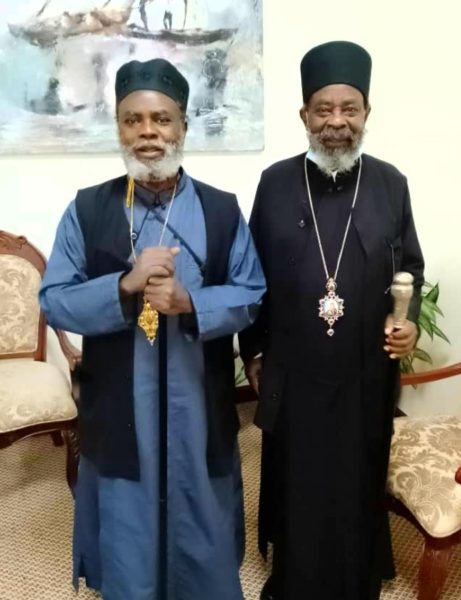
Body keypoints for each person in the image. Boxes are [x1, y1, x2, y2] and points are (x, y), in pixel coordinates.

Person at [40, 58, 265, 600]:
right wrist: (124, 285)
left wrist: (192, 302)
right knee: (127, 531)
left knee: (201, 523)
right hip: (122, 405)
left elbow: (252, 293)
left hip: (198, 405)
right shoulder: (88, 209)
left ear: (183, 126)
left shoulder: (221, 211)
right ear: (118, 129)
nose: (148, 132)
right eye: (133, 120)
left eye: (162, 119)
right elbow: (55, 299)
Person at [239, 41, 425, 600]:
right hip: (294, 366)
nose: (337, 122)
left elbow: (412, 269)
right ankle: (294, 578)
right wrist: (254, 352)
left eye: (349, 109)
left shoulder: (390, 184)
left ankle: (356, 578)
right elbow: (250, 275)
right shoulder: (275, 182)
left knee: (356, 473)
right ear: (304, 115)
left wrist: (410, 323)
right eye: (324, 109)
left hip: (364, 369)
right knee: (298, 475)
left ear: (367, 113)